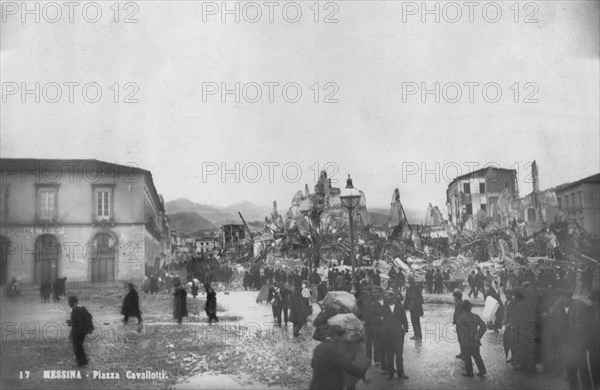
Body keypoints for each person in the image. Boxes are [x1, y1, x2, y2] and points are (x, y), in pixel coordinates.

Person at [381, 290, 409, 380]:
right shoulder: (383, 308)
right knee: (389, 355)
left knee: (399, 355)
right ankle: (391, 373)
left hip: (398, 335)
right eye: (385, 297)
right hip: (387, 335)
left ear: (393, 297)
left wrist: (404, 331)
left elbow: (404, 320)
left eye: (388, 297)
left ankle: (401, 373)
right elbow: (378, 318)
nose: (386, 298)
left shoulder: (400, 307)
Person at [456, 300, 487, 377]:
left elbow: (461, 331)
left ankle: (470, 372)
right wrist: (478, 335)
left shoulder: (460, 319)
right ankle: (482, 370)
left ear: (462, 309)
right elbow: (484, 326)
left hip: (466, 341)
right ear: (471, 308)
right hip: (475, 341)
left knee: (467, 358)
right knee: (477, 356)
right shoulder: (476, 316)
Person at [66, 296, 93, 367]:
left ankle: (80, 363)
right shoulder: (82, 307)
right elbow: (89, 316)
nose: (68, 304)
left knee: (77, 346)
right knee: (79, 346)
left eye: (69, 302)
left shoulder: (75, 310)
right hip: (83, 330)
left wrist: (70, 322)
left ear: (73, 302)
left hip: (78, 331)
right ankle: (83, 361)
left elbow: (76, 322)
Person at [365, 287, 385, 369]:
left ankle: (377, 359)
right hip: (370, 325)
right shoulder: (370, 303)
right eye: (373, 292)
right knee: (369, 343)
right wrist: (379, 318)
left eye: (376, 292)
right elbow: (368, 316)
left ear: (381, 293)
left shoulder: (385, 301)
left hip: (380, 326)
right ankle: (368, 360)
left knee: (378, 343)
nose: (374, 294)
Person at [452, 291, 466, 358]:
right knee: (460, 339)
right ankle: (462, 353)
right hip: (458, 323)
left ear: (457, 297)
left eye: (454, 297)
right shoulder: (458, 303)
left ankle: (464, 354)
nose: (453, 298)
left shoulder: (462, 304)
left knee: (463, 339)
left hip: (462, 324)